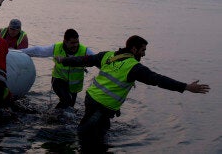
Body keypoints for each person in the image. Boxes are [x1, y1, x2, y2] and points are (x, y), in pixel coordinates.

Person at [56, 35, 210, 153]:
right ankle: (67, 142)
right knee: (85, 133)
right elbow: (158, 80)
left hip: (91, 99)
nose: (143, 54)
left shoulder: (108, 55)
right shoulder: (134, 67)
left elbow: (85, 60)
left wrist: (64, 60)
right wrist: (186, 87)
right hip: (102, 107)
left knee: (101, 132)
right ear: (133, 49)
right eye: (142, 50)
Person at [21, 29, 93, 109]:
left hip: (74, 86)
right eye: (72, 43)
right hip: (58, 80)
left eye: (77, 42)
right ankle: (53, 118)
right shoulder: (57, 48)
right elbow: (38, 50)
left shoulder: (85, 51)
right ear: (65, 41)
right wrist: (17, 52)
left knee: (70, 107)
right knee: (66, 100)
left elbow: (98, 60)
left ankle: (55, 115)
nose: (75, 45)